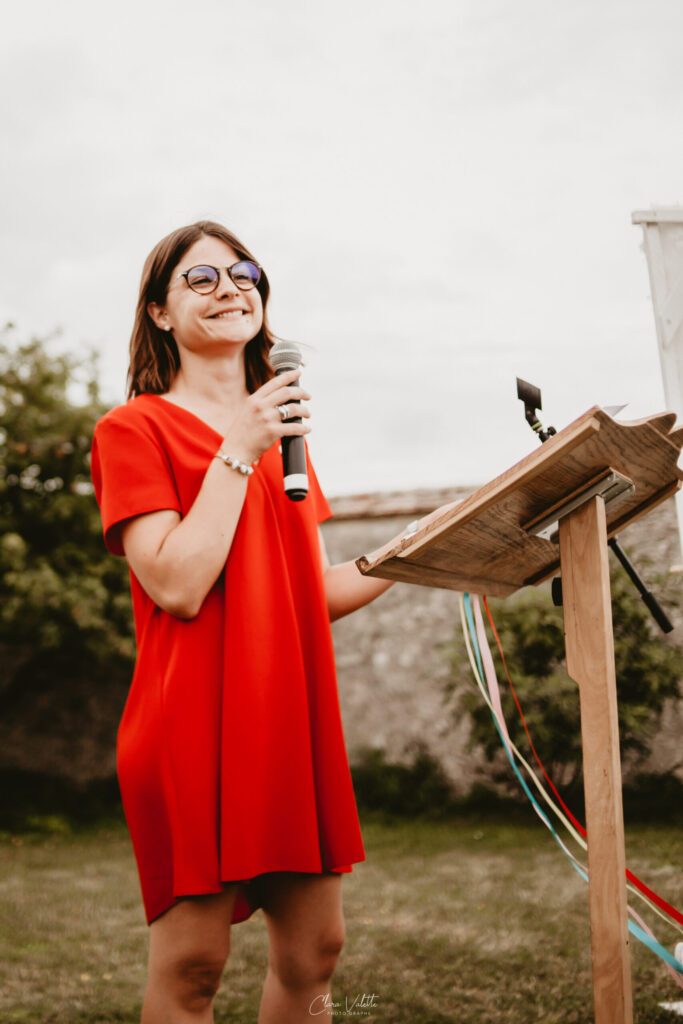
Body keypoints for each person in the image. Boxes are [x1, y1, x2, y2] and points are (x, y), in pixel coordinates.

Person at [90, 220, 394, 1024]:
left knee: (315, 954)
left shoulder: (283, 439)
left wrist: (407, 556)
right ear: (158, 312)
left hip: (285, 725)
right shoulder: (133, 430)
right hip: (187, 722)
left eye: (245, 272)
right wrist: (239, 446)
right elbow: (179, 584)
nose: (232, 287)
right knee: (192, 970)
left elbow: (303, 595)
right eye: (202, 278)